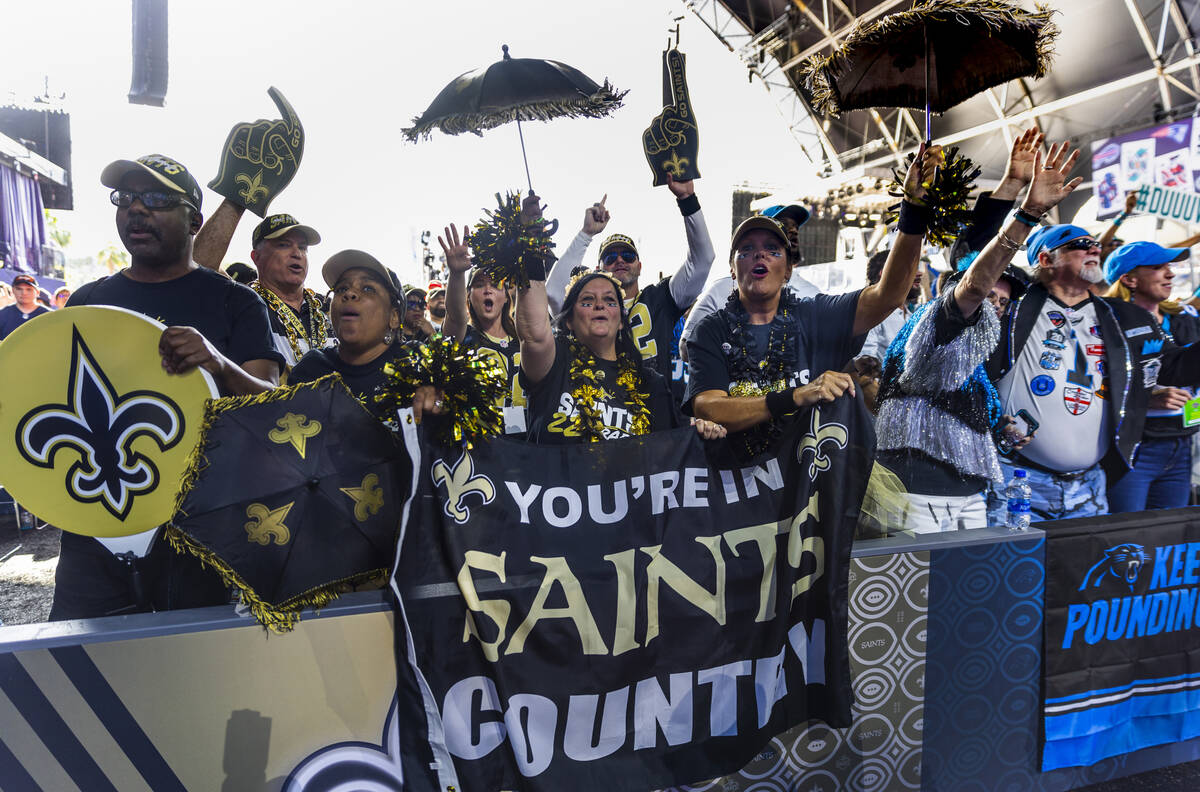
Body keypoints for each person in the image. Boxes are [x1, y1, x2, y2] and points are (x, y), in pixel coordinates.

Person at [50, 154, 284, 621]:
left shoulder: (236, 301)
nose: (137, 210)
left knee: (191, 672)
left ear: (195, 220)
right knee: (80, 664)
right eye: (126, 198)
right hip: (96, 519)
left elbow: (272, 405)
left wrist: (217, 362)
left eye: (156, 199)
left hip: (198, 524)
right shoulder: (88, 302)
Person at [873, 141, 1081, 532]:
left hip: (969, 494)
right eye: (990, 293)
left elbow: (973, 250)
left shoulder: (976, 358)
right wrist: (1028, 212)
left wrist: (998, 427)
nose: (997, 303)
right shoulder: (938, 323)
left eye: (1004, 299)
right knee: (921, 592)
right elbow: (972, 278)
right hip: (921, 495)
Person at [685, 145, 939, 452]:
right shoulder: (711, 330)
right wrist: (796, 396)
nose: (760, 254)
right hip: (738, 488)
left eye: (773, 249)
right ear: (732, 268)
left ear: (788, 270)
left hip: (808, 486)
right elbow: (709, 408)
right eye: (747, 250)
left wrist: (913, 213)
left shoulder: (817, 315)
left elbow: (888, 295)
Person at [985, 224, 1200, 524]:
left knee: (1084, 571)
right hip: (1018, 480)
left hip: (1090, 486)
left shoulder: (1126, 316)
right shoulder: (1011, 309)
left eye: (1095, 243)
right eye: (1080, 244)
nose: (1094, 248)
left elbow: (1175, 366)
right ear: (1046, 260)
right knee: (1016, 569)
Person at [546, 176, 714, 401]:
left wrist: (687, 199)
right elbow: (554, 292)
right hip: (595, 415)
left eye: (627, 255)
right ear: (599, 268)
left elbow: (703, 260)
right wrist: (586, 234)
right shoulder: (584, 306)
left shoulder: (660, 298)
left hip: (653, 421)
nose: (619, 261)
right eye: (610, 257)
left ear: (640, 266)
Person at [1103, 241, 1200, 512]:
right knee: (1127, 540)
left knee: (1168, 540)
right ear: (1129, 279)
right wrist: (1145, 399)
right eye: (1158, 267)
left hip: (1182, 444)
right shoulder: (1107, 322)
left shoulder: (1185, 316)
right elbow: (1090, 383)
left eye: (1169, 266)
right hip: (1135, 448)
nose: (1170, 274)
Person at [680, 202, 821, 361]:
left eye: (795, 227)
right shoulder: (720, 290)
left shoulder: (812, 294)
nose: (793, 231)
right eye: (783, 225)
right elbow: (686, 348)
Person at [437, 224, 526, 416]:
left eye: (495, 284)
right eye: (479, 285)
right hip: (482, 442)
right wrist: (457, 273)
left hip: (526, 443)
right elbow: (455, 316)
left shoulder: (524, 338)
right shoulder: (464, 337)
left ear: (505, 297)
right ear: (468, 296)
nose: (487, 290)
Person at [242, 214, 329, 377]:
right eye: (284, 245)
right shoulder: (242, 305)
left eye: (303, 247)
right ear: (256, 257)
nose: (297, 254)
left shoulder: (330, 307)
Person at [0, 274, 50, 340]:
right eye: (19, 289)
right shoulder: (3, 314)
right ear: (13, 290)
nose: (24, 293)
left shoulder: (48, 315)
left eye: (29, 289)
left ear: (37, 292)